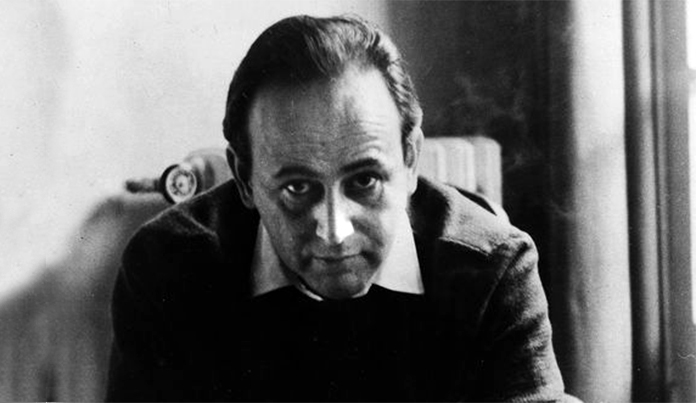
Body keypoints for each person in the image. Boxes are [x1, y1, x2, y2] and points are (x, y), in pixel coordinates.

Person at [107, 14, 566, 402]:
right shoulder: (166, 267)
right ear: (244, 179)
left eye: (364, 181)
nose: (334, 231)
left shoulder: (494, 271)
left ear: (409, 161)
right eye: (297, 188)